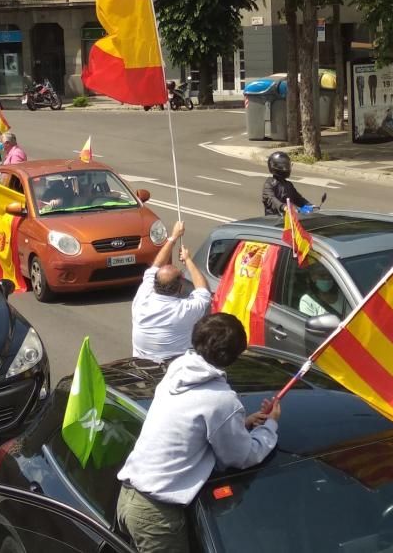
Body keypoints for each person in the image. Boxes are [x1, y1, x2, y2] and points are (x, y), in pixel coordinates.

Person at [117, 312, 281, 553]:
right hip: (156, 516)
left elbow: (189, 427)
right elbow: (243, 457)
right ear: (232, 357)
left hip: (130, 498)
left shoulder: (179, 370)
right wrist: (271, 426)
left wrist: (240, 423)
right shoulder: (221, 401)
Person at [131, 220, 212, 362]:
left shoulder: (143, 298)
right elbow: (203, 289)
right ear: (180, 287)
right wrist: (187, 260)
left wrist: (173, 237)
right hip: (174, 368)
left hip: (142, 366)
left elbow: (156, 265)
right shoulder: (184, 310)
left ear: (155, 284)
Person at [262, 151, 311, 216]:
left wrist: (310, 205)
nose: (289, 168)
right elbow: (272, 200)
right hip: (274, 221)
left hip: (289, 219)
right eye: (287, 165)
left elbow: (298, 199)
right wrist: (284, 207)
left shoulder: (288, 185)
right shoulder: (269, 184)